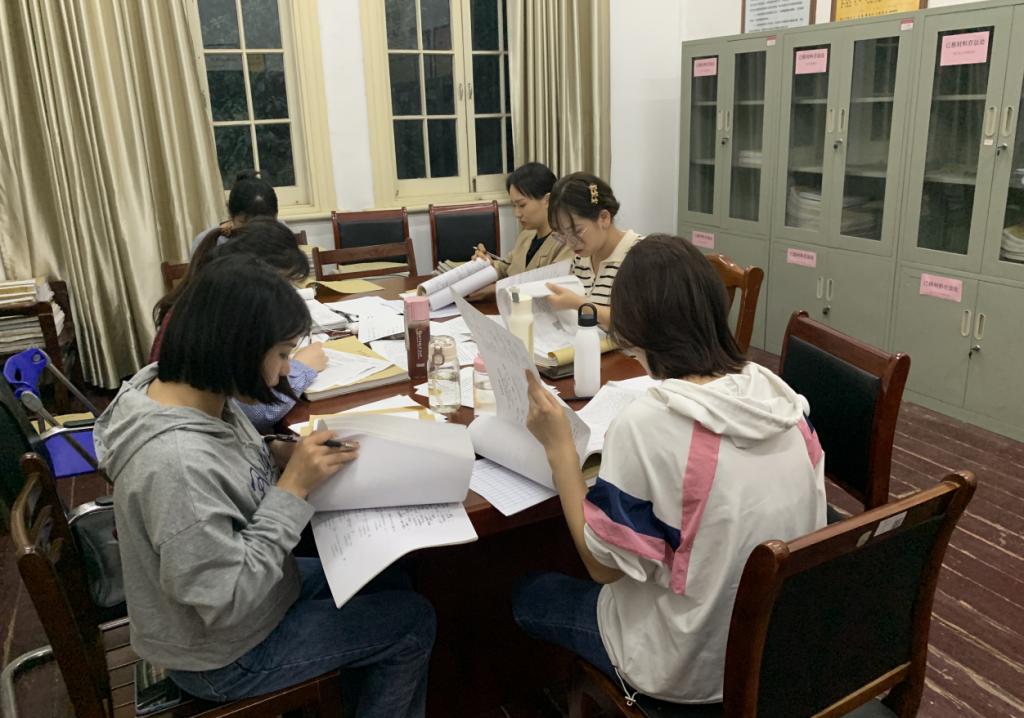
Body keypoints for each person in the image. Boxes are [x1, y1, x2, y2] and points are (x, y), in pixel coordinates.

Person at [95, 256, 435, 716]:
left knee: (387, 576)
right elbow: (226, 599)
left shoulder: (195, 394)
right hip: (223, 653)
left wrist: (276, 453)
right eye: (282, 354)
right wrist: (292, 489)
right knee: (413, 622)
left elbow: (228, 467)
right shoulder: (175, 465)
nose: (286, 371)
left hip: (258, 600)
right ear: (236, 348)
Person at [511, 235, 826, 705]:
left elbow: (601, 568)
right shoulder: (785, 401)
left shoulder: (648, 424)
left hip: (685, 667)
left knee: (529, 594)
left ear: (632, 329)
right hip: (776, 647)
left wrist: (560, 450)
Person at [151, 218, 327, 432]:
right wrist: (302, 368)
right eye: (282, 284)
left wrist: (273, 446)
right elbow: (254, 413)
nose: (284, 295)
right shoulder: (214, 325)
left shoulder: (204, 305)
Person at [541, 173, 642, 330]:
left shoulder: (642, 256)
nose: (570, 243)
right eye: (562, 235)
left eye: (576, 231)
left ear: (604, 218)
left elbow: (640, 325)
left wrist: (579, 304)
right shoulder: (581, 259)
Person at [469, 163, 574, 297]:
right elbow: (506, 266)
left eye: (522, 205)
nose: (517, 214)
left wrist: (493, 289)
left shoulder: (567, 243)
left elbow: (546, 286)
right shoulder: (526, 235)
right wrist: (485, 264)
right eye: (514, 205)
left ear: (548, 200)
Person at [191, 169, 280, 255]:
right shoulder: (208, 242)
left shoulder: (282, 236)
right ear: (231, 215)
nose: (255, 230)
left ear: (276, 216)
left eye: (265, 222)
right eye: (245, 223)